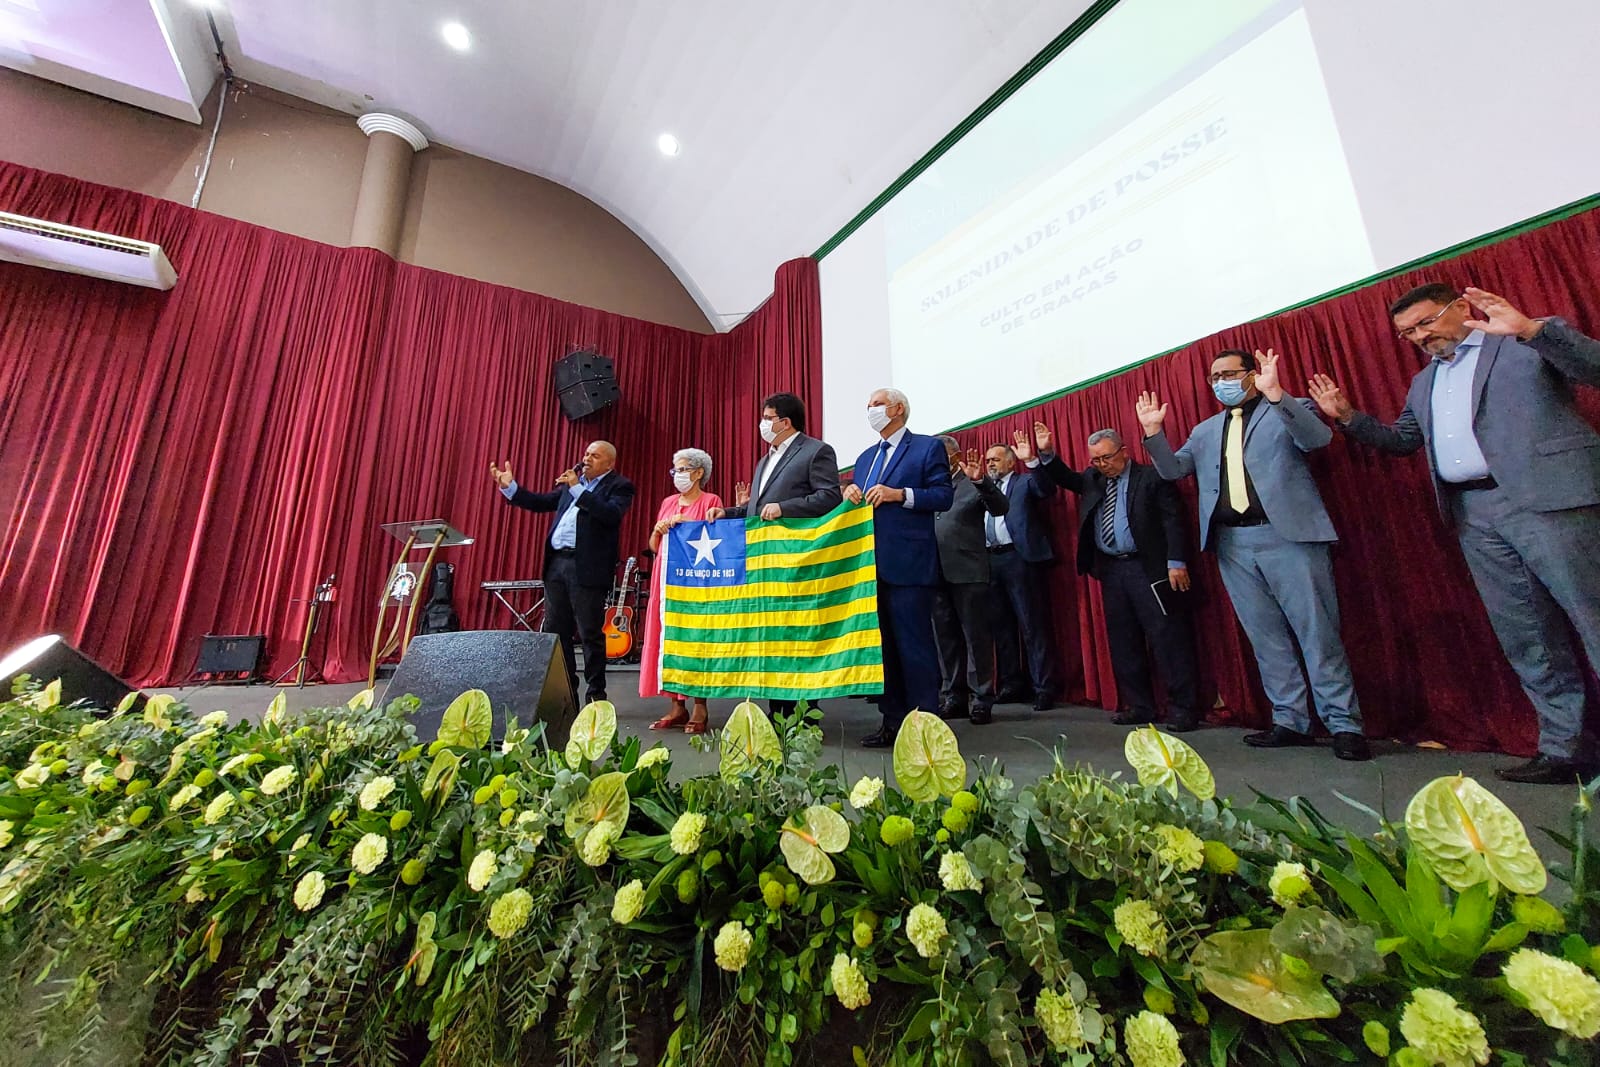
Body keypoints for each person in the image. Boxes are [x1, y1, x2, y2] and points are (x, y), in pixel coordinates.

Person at [1309, 284, 1600, 784]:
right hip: (1475, 515)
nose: (1419, 337)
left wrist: (1533, 331)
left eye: (1424, 324)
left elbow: (1593, 370)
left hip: (1550, 501)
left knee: (1593, 616)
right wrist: (1348, 418)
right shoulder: (1424, 384)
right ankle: (1565, 748)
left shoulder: (1525, 342)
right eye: (1407, 333)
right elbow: (1403, 442)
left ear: (1461, 308)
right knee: (1527, 636)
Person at [1136, 348, 1371, 761]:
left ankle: (1343, 724)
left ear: (1252, 373)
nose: (1221, 382)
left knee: (1317, 633)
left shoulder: (1287, 406)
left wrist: (1278, 396)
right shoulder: (1205, 430)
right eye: (1214, 377)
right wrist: (1154, 433)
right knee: (1265, 638)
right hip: (1232, 544)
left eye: (1229, 373)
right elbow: (1173, 471)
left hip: (1290, 537)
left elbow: (1318, 440)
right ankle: (1290, 720)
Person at [1032, 422, 1200, 731]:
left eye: (1106, 458)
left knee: (1167, 639)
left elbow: (1173, 520)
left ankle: (1183, 708)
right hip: (1112, 570)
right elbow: (1066, 478)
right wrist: (1046, 453)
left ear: (1124, 451)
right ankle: (1140, 705)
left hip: (1150, 569)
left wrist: (1176, 562)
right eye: (1095, 460)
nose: (1101, 465)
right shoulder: (1094, 479)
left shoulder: (1151, 476)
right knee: (1124, 642)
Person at [708, 392, 841, 716]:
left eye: (768, 418)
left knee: (797, 634)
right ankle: (777, 708)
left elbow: (829, 496)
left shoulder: (815, 451)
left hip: (796, 560)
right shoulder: (764, 460)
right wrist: (729, 512)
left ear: (785, 421)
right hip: (764, 565)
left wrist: (785, 508)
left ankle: (803, 712)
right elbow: (758, 510)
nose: (763, 424)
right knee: (770, 636)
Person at [843, 388, 953, 746]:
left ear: (898, 408)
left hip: (909, 564)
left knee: (915, 647)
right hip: (869, 567)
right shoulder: (864, 458)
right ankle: (891, 722)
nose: (870, 410)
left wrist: (899, 494)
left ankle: (925, 727)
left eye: (876, 404)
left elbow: (943, 496)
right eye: (868, 405)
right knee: (884, 649)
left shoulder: (926, 447)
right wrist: (850, 494)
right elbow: (858, 501)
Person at [489, 441, 636, 705]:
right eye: (586, 453)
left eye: (595, 455)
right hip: (557, 564)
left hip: (587, 568)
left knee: (590, 632)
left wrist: (577, 489)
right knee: (558, 632)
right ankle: (567, 693)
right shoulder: (571, 486)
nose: (587, 458)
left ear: (609, 463)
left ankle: (596, 694)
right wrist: (510, 487)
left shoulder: (619, 486)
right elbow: (539, 502)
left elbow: (610, 514)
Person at [640, 448, 723, 735]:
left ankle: (700, 705)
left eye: (684, 469)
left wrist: (688, 525)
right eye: (675, 470)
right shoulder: (667, 502)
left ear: (699, 473)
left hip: (695, 582)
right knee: (668, 638)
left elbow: (716, 539)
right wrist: (659, 530)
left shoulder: (711, 501)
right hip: (664, 580)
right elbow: (654, 546)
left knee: (695, 640)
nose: (678, 475)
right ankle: (677, 705)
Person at [932, 436, 1008, 724]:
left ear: (955, 457)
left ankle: (982, 698)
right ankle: (954, 696)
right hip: (934, 573)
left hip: (969, 572)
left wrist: (981, 482)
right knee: (945, 639)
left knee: (976, 637)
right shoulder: (928, 484)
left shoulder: (971, 480)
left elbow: (1000, 507)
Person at [982, 434, 1061, 710]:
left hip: (1019, 559)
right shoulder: (983, 488)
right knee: (1001, 628)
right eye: (988, 460)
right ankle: (1011, 683)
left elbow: (1046, 490)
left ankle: (1043, 687)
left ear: (1010, 461)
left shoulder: (1024, 481)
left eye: (995, 459)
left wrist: (1032, 461)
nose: (990, 463)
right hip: (990, 562)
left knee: (1032, 626)